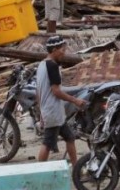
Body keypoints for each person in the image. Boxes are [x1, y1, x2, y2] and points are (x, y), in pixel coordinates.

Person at [36, 35, 87, 163]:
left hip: (52, 111)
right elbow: (56, 91)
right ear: (54, 50)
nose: (64, 53)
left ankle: (76, 167)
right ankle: (38, 172)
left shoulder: (41, 65)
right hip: (52, 111)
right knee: (47, 144)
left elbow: (38, 91)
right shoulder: (52, 66)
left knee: (70, 137)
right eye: (62, 50)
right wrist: (75, 100)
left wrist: (41, 112)